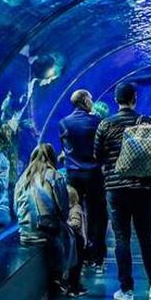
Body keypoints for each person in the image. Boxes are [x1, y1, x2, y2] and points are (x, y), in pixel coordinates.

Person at [94, 82, 151, 300]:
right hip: (142, 190)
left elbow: (97, 155)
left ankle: (126, 290)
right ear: (135, 99)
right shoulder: (147, 122)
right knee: (146, 238)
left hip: (115, 189)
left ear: (115, 100)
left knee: (122, 239)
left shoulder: (105, 124)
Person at [14, 143, 84, 297]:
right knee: (78, 238)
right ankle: (73, 284)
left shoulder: (22, 179)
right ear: (53, 158)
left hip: (25, 234)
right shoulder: (55, 176)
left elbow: (15, 208)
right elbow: (63, 210)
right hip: (47, 234)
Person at [59, 89, 106, 271]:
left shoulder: (64, 123)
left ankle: (79, 255)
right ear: (85, 100)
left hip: (74, 175)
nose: (92, 102)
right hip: (94, 174)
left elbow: (65, 147)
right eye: (91, 99)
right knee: (98, 215)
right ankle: (97, 256)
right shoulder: (98, 122)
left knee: (75, 213)